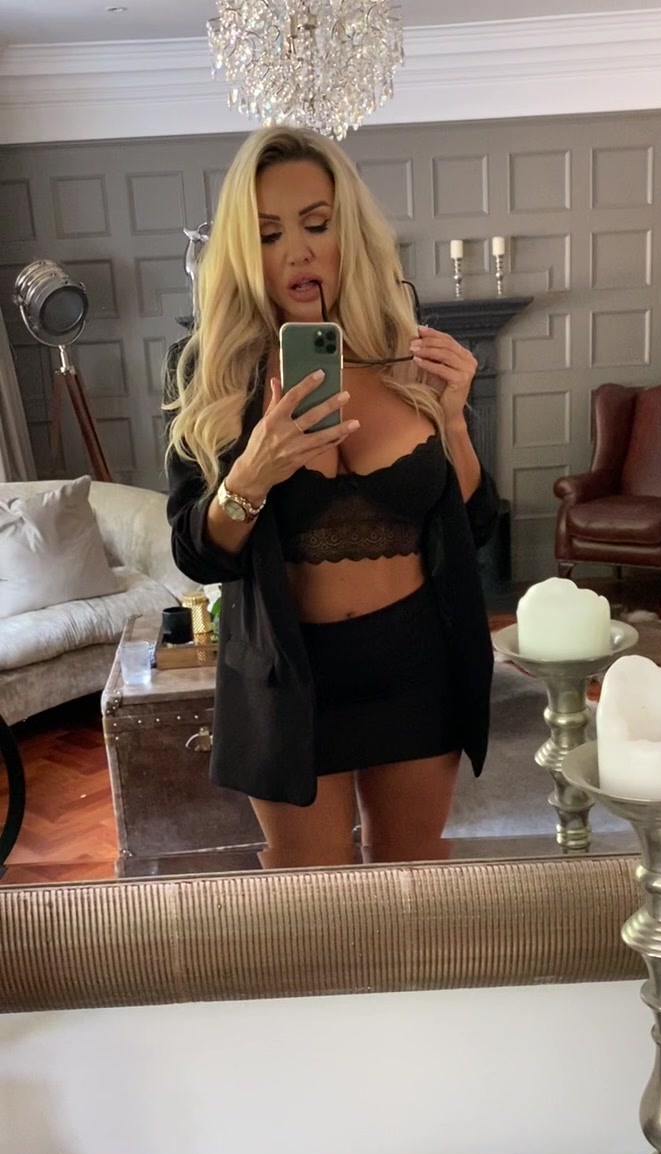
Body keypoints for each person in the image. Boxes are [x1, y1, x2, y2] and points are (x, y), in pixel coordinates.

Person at [164, 124, 499, 870]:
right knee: (314, 906)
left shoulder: (405, 351)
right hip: (289, 684)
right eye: (269, 235)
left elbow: (472, 521)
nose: (298, 252)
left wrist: (453, 421)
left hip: (419, 668)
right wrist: (252, 474)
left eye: (316, 224)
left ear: (348, 231)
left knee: (412, 888)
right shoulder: (210, 373)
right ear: (243, 251)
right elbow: (196, 553)